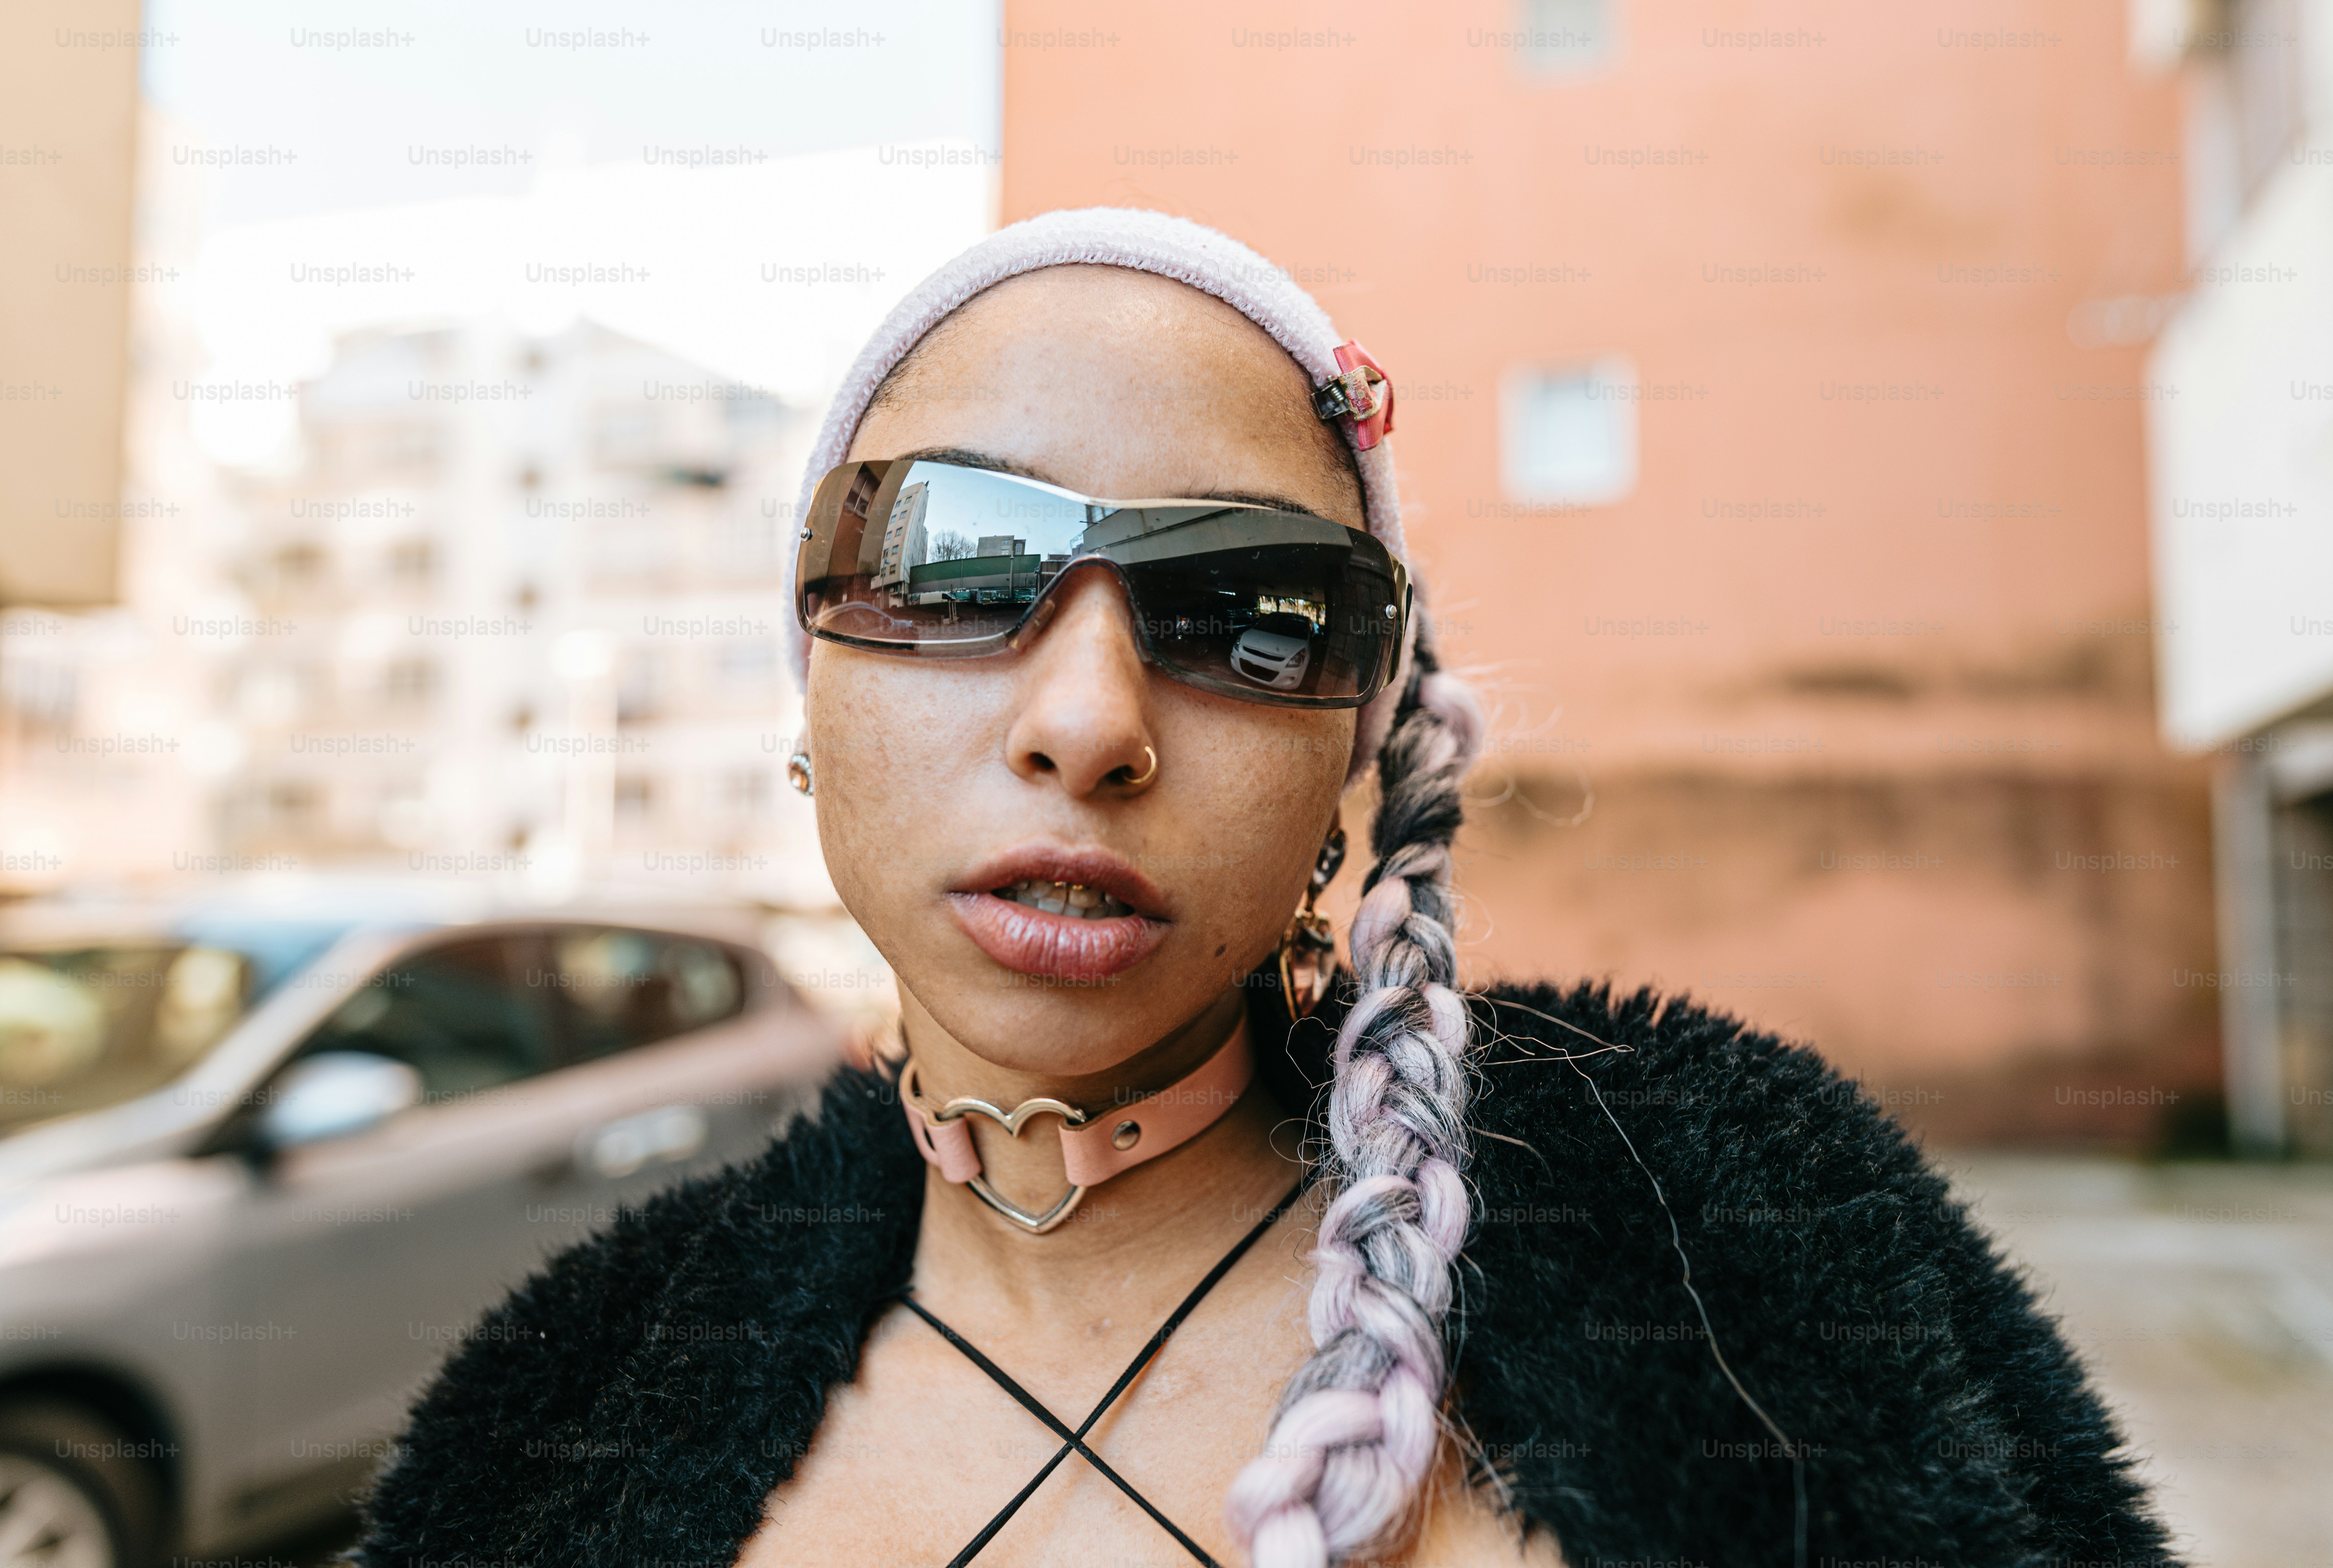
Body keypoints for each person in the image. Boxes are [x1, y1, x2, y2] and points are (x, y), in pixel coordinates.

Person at [351, 209, 2178, 1568]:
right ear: (808, 683)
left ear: (1352, 766)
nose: (1088, 722)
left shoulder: (1750, 1248)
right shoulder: (560, 1423)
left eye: (1247, 614)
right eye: (956, 562)